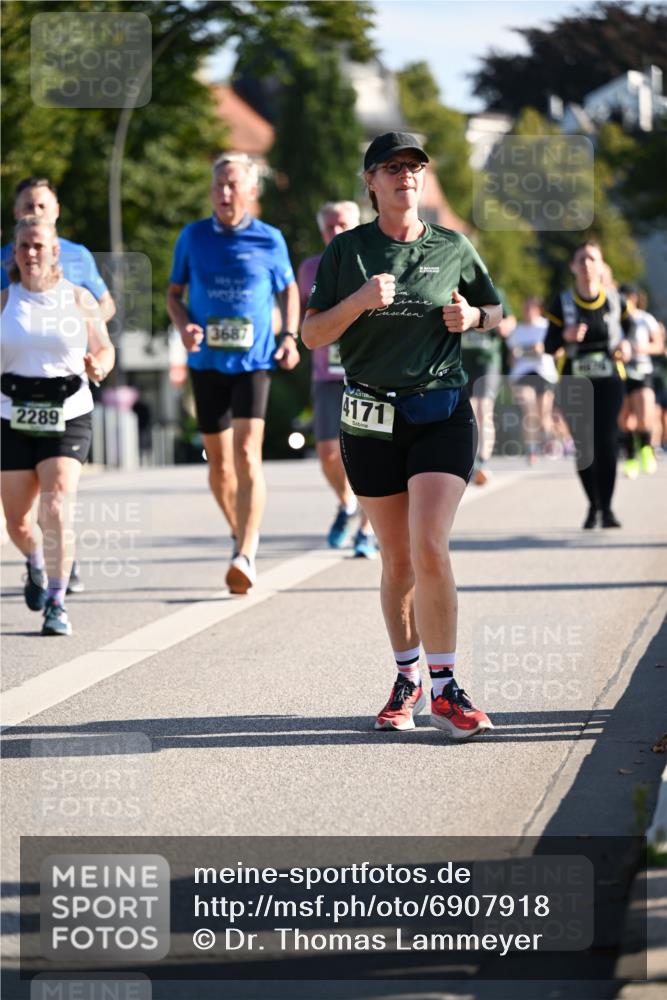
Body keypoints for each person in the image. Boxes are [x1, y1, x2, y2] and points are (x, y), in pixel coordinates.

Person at [302, 132, 502, 738]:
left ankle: (446, 689)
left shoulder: (453, 245)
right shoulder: (348, 252)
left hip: (441, 411)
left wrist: (474, 317)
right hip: (370, 418)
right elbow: (312, 334)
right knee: (396, 559)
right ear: (371, 182)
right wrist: (359, 302)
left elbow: (498, 312)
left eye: (414, 166)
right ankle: (407, 678)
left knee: (429, 545)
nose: (405, 175)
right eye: (391, 167)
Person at [167, 152, 300, 594]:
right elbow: (173, 294)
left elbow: (289, 289)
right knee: (219, 466)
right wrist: (183, 325)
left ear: (250, 191)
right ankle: (240, 528)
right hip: (206, 364)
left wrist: (289, 337)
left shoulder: (270, 239)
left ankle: (245, 551)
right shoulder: (192, 236)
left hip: (254, 362)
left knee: (246, 454)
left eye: (232, 185)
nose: (224, 193)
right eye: (218, 186)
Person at [1, 176, 117, 595]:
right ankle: (38, 557)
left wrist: (84, 337)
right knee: (17, 519)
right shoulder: (5, 268)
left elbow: (104, 309)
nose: (34, 213)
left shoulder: (78, 258)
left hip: (66, 397)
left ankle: (57, 591)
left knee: (55, 502)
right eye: (27, 207)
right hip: (13, 400)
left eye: (41, 206)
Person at [297, 201, 376, 557]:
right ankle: (347, 503)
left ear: (357, 224)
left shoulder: (372, 260)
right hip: (326, 374)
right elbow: (301, 316)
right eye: (329, 226)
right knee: (329, 453)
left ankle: (366, 530)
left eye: (342, 224)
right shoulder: (310, 268)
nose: (336, 231)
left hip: (369, 372)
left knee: (370, 455)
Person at [544, 241, 632, 529]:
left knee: (606, 441)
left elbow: (630, 331)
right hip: (574, 381)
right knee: (584, 446)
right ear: (573, 267)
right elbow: (548, 345)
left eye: (592, 259)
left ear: (601, 265)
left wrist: (626, 346)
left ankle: (607, 509)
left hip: (609, 380)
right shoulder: (563, 302)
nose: (586, 265)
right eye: (581, 259)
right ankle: (593, 505)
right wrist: (565, 335)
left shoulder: (616, 301)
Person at [460, 288, 515, 484]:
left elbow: (510, 321)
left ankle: (483, 461)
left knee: (484, 408)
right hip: (463, 362)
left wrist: (501, 325)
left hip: (489, 361)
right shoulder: (455, 290)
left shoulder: (494, 291)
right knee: (468, 411)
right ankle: (470, 460)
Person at [617, 284, 663, 479]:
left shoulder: (645, 319)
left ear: (634, 298)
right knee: (625, 418)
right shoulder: (614, 319)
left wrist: (641, 348)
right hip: (620, 371)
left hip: (642, 369)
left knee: (645, 413)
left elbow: (659, 345)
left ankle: (645, 448)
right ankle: (630, 458)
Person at [506, 297, 558, 463]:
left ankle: (550, 439)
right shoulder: (517, 330)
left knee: (544, 415)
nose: (527, 311)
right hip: (522, 375)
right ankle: (531, 449)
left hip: (544, 373)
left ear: (538, 309)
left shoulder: (546, 327)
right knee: (529, 411)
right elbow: (510, 360)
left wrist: (543, 349)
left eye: (530, 308)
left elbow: (558, 351)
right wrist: (514, 355)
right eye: (525, 308)